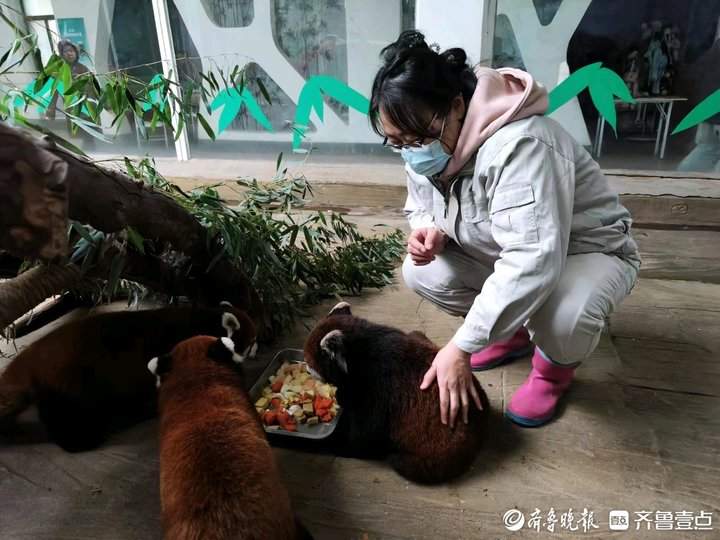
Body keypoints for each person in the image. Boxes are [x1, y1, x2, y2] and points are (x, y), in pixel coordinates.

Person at [369, 31, 641, 429]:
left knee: (564, 317)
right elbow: (421, 204)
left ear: (457, 106)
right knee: (421, 271)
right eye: (397, 142)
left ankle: (552, 371)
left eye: (417, 137)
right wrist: (429, 227)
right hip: (515, 250)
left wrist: (460, 346)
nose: (411, 150)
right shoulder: (426, 147)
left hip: (584, 251)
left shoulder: (521, 145)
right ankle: (510, 333)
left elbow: (533, 260)